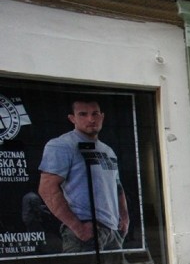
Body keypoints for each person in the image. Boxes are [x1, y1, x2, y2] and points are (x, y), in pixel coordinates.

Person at [38, 98, 129, 253]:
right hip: (85, 231)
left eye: (95, 114)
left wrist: (124, 219)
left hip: (112, 231)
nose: (91, 119)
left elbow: (117, 186)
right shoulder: (62, 145)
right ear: (72, 118)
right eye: (83, 114)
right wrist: (78, 228)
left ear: (102, 116)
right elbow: (47, 189)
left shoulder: (107, 150)